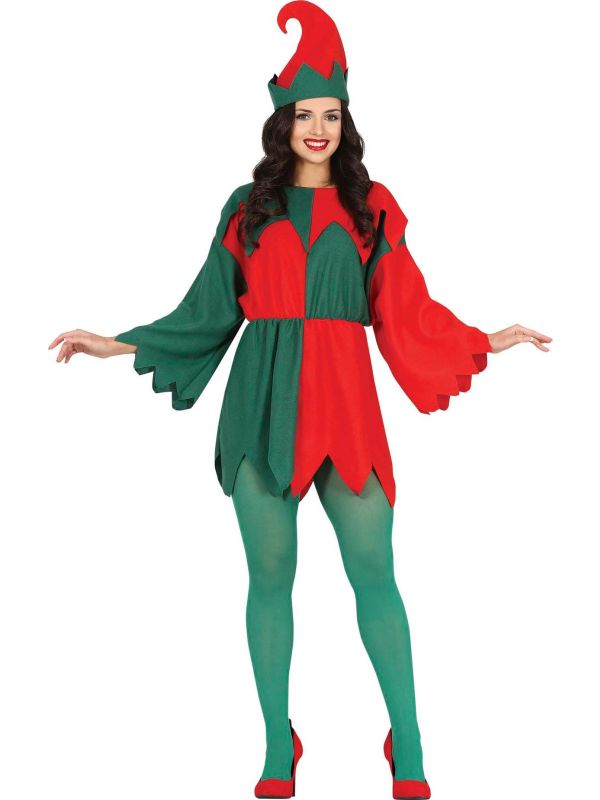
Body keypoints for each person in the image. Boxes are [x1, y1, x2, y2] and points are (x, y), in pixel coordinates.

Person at [48, 2, 552, 798]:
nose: (318, 128)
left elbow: (405, 309)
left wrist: (484, 339)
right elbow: (207, 309)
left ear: (346, 122)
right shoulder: (246, 209)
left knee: (374, 569)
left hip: (345, 404)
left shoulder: (372, 207)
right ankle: (277, 743)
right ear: (282, 122)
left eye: (331, 114)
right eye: (304, 114)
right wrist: (117, 343)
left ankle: (407, 739)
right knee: (270, 575)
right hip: (261, 406)